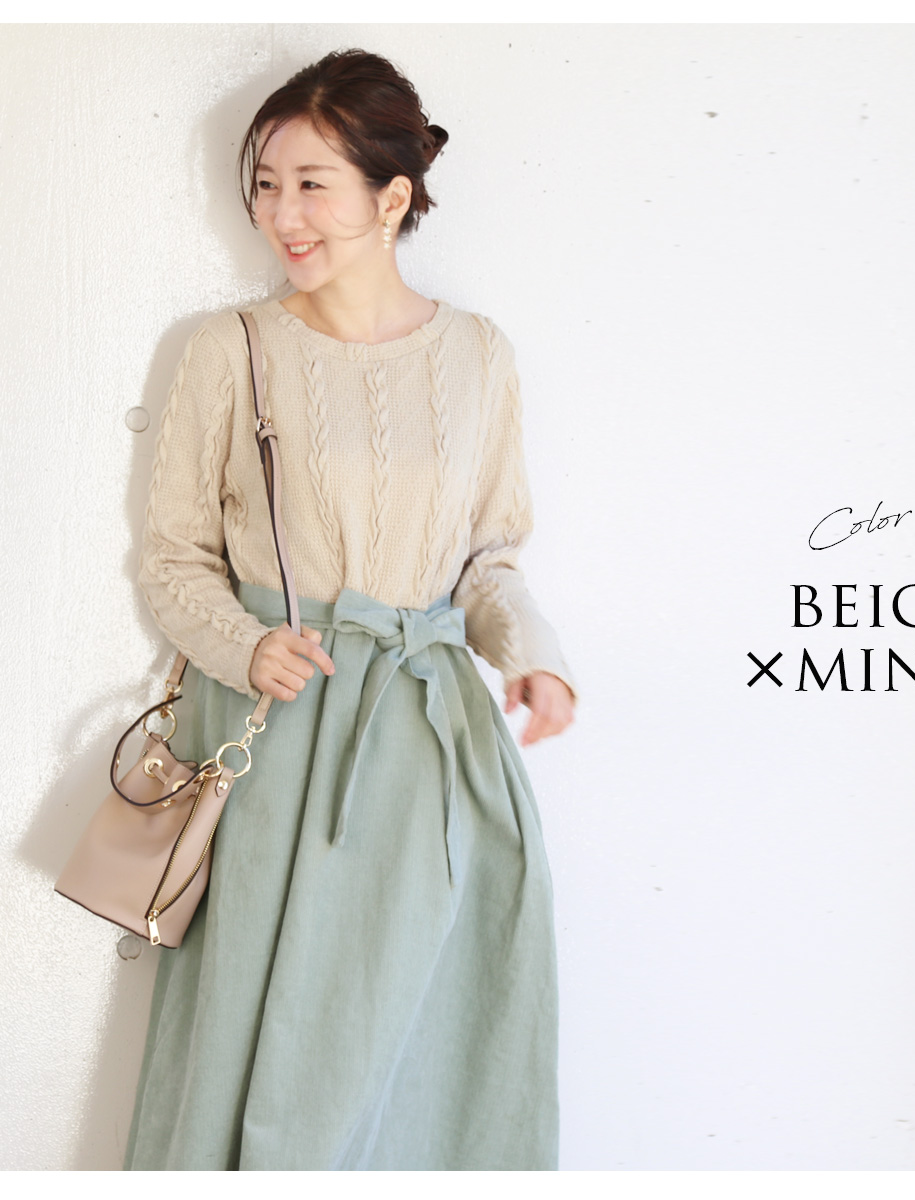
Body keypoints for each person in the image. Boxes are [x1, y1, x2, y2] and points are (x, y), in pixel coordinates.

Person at [123, 48, 577, 1172]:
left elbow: (489, 559)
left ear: (391, 197)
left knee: (421, 1035)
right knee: (267, 1051)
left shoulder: (477, 355)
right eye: (266, 184)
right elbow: (173, 558)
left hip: (427, 735)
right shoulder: (230, 350)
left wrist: (531, 658)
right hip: (276, 731)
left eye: (311, 184)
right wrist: (243, 645)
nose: (283, 213)